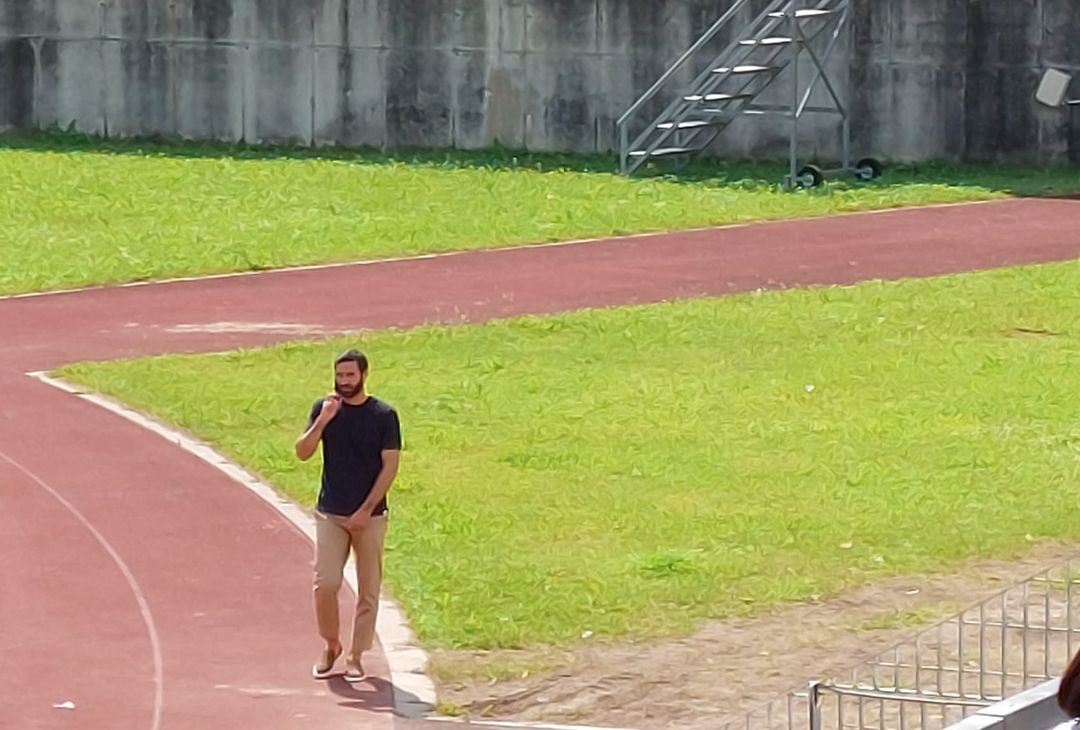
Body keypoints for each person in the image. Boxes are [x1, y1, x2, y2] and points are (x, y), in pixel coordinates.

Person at [295, 348, 402, 682]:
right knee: (325, 583)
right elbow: (302, 452)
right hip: (331, 514)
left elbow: (390, 466)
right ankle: (331, 645)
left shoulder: (384, 415)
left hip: (370, 516)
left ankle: (357, 655)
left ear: (364, 375)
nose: (344, 382)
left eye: (350, 376)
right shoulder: (324, 409)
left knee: (369, 589)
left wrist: (366, 510)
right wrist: (323, 420)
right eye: (339, 376)